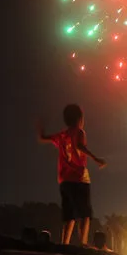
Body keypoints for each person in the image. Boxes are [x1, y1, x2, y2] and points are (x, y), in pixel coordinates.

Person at [36, 104, 106, 246]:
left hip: (64, 180)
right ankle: (83, 244)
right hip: (80, 178)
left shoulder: (61, 135)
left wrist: (40, 128)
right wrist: (96, 158)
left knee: (69, 215)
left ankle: (65, 244)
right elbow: (80, 146)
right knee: (84, 214)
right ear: (80, 119)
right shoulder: (79, 132)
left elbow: (43, 138)